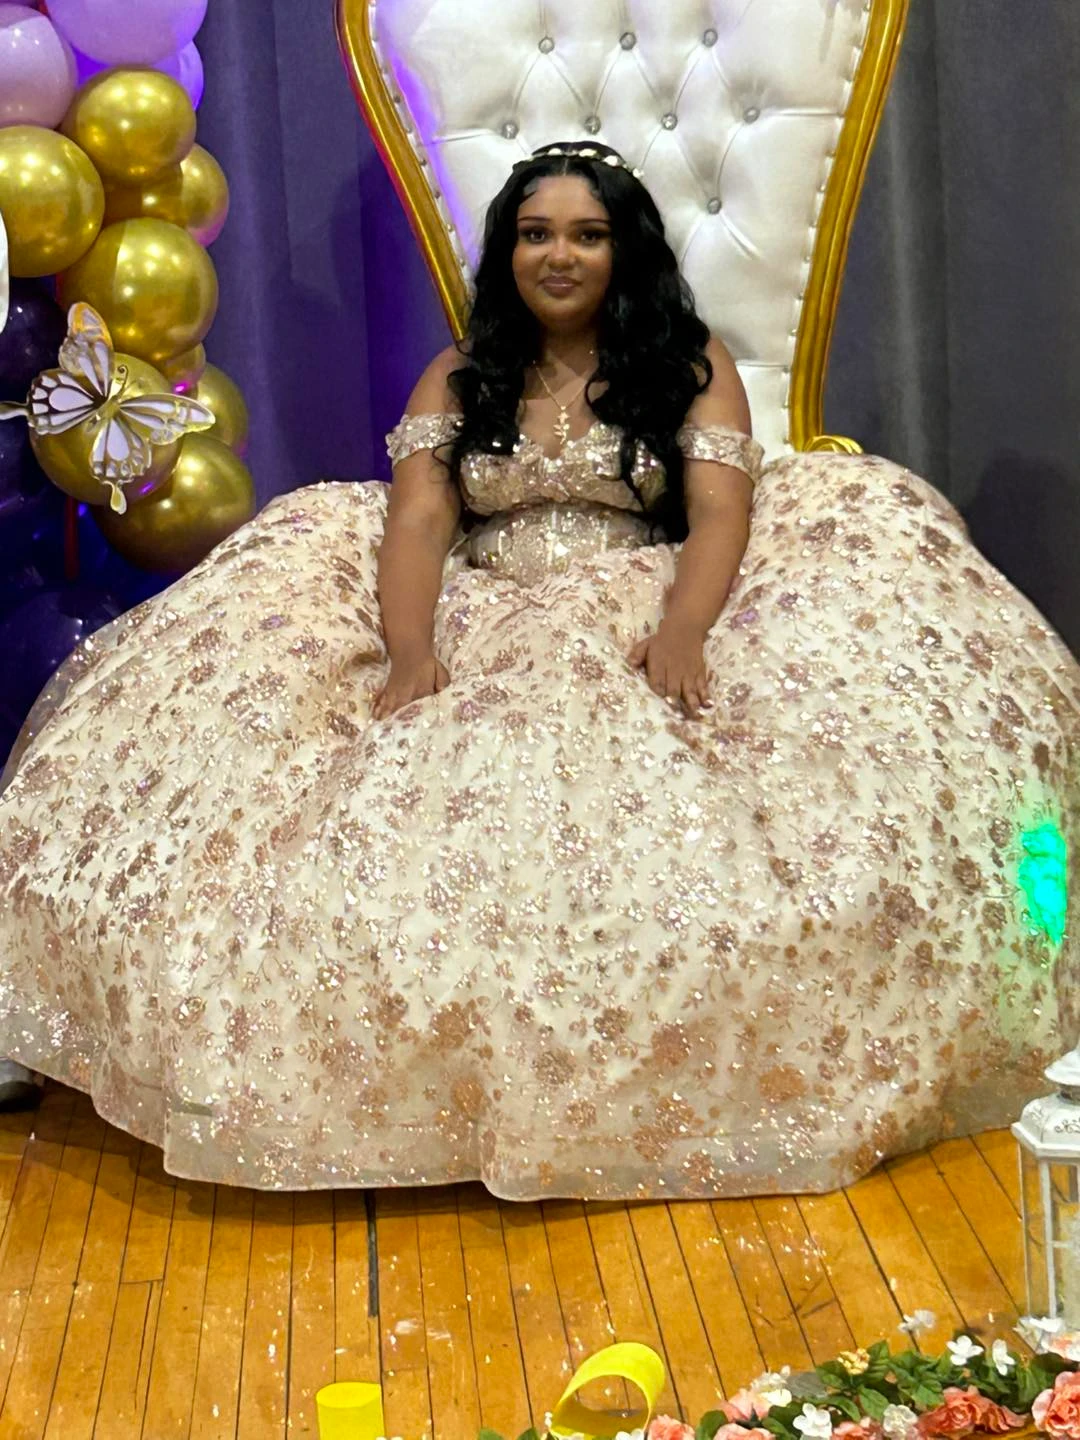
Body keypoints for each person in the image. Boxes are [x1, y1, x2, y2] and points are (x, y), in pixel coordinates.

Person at [0, 142, 1077, 1197]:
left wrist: (687, 627)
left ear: (626, 251)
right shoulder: (462, 373)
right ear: (508, 251)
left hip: (640, 590)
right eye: (535, 234)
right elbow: (419, 521)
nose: (558, 255)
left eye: (587, 235)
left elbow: (718, 516)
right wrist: (412, 649)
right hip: (482, 597)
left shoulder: (688, 367)